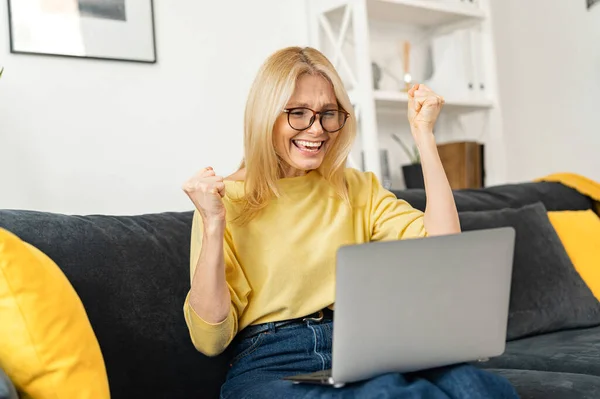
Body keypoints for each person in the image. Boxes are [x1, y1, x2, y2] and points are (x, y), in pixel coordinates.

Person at [181, 46, 519, 399]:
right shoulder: (221, 200)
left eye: (329, 113)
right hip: (271, 361)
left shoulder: (355, 188)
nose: (317, 129)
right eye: (298, 113)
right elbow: (210, 340)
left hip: (360, 349)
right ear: (266, 116)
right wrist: (213, 223)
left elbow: (445, 246)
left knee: (478, 387)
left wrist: (424, 137)